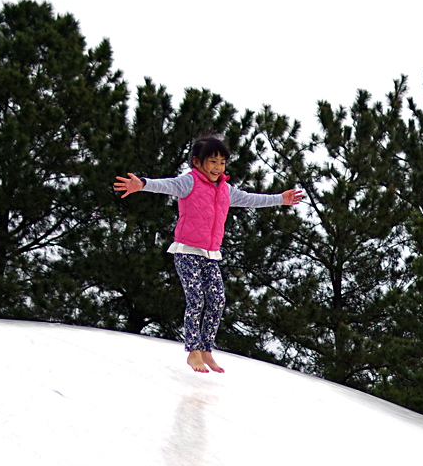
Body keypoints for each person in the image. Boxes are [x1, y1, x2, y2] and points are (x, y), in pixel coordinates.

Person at [113, 136, 303, 373]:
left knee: (217, 300)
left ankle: (206, 350)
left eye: (222, 163)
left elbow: (250, 199)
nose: (218, 167)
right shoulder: (189, 182)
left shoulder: (225, 190)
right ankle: (193, 351)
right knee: (197, 299)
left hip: (210, 254)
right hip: (187, 252)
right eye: (212, 161)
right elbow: (167, 185)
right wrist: (142, 183)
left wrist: (280, 200)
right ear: (197, 162)